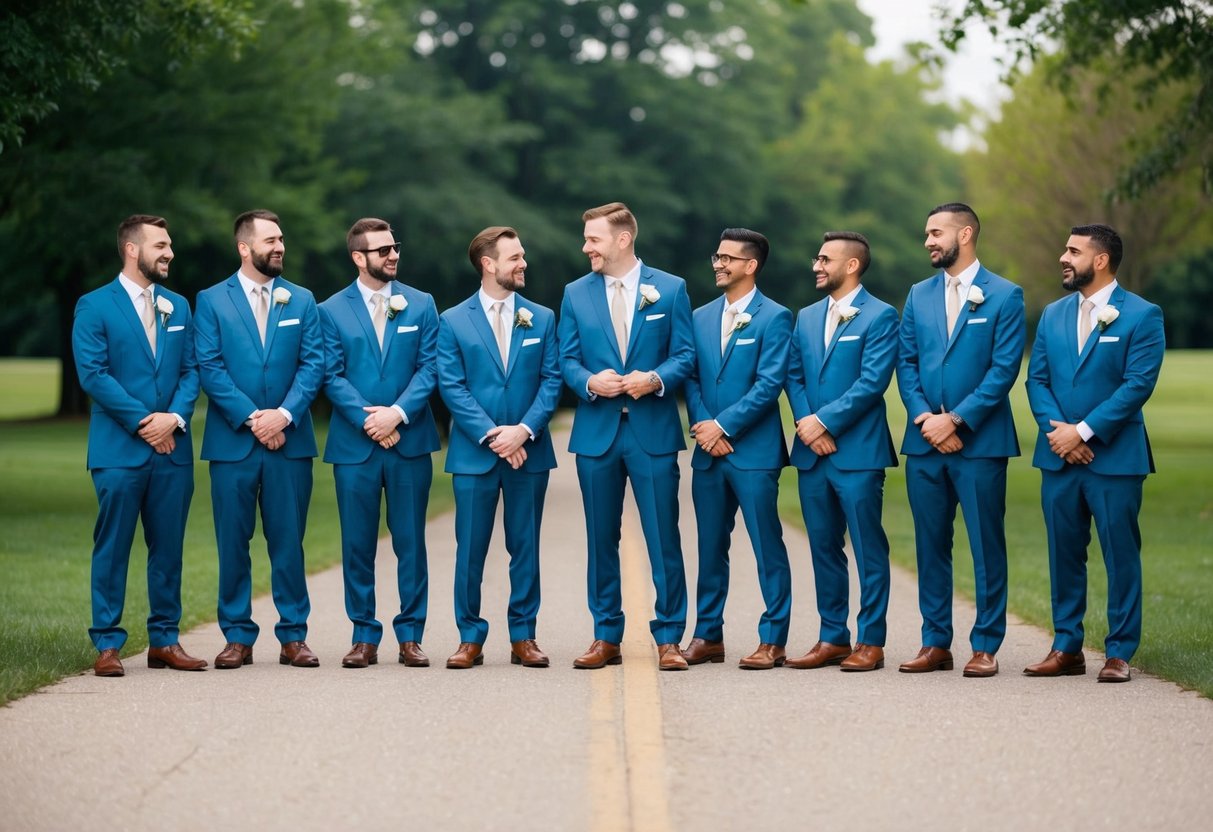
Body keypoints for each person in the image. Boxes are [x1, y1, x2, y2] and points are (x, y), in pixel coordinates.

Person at [1023, 224, 1164, 683]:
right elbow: (1036, 380)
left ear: (1100, 260)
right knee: (1064, 553)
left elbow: (1137, 385)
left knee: (1119, 553)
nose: (1063, 257)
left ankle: (1119, 652)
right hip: (1058, 458)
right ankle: (1066, 647)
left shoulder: (1143, 315)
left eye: (1073, 251)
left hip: (1116, 458)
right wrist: (1058, 434)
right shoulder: (1052, 314)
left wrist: (1084, 432)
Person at [558, 202, 695, 671]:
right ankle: (605, 636)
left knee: (664, 537)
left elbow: (685, 355)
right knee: (601, 538)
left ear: (622, 240)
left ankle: (670, 637)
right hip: (596, 434)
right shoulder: (575, 294)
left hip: (652, 432)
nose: (586, 247)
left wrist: (654, 379)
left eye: (593, 239)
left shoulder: (671, 289)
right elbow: (567, 360)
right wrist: (588, 382)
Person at [72, 214, 206, 676]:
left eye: (169, 245)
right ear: (132, 249)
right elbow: (93, 373)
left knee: (168, 548)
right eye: (160, 245)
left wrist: (174, 419)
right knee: (112, 547)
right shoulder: (94, 305)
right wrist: (144, 421)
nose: (169, 252)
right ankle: (107, 645)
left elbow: (192, 371)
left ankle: (164, 640)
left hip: (173, 449)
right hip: (118, 451)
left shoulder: (179, 307)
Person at [896, 202, 1025, 678]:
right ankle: (935, 643)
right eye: (927, 233)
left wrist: (959, 420)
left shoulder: (1005, 295)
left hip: (982, 443)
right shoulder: (918, 294)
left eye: (936, 232)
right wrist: (925, 418)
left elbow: (1003, 369)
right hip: (924, 443)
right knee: (930, 544)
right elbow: (905, 363)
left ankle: (986, 644)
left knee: (986, 544)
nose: (928, 241)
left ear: (965, 234)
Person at [194, 209, 324, 669]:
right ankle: (237, 637)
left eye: (282, 239)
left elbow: (314, 364)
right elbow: (209, 366)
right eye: (270, 240)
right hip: (233, 443)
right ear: (244, 248)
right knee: (233, 543)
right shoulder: (211, 300)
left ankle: (294, 636)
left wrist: (284, 416)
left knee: (289, 541)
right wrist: (253, 419)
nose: (279, 247)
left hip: (291, 442)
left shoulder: (302, 300)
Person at [436, 227, 562, 669]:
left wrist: (523, 431)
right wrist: (494, 436)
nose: (522, 263)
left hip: (529, 452)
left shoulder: (542, 317)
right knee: (470, 548)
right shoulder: (452, 320)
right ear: (488, 264)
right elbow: (451, 387)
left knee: (525, 546)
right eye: (514, 257)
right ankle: (469, 636)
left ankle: (523, 636)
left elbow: (552, 381)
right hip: (475, 455)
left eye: (522, 255)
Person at [318, 218, 440, 669]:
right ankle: (363, 636)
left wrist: (397, 414)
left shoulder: (421, 304)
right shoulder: (329, 310)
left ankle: (411, 636)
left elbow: (430, 368)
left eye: (395, 247)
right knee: (357, 544)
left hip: (410, 441)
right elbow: (330, 373)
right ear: (358, 257)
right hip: (355, 447)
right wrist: (370, 420)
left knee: (411, 542)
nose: (393, 255)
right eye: (382, 250)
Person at [784, 232, 899, 672]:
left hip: (859, 452)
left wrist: (825, 422)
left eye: (825, 259)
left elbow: (872, 383)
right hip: (813, 452)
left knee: (869, 547)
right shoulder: (807, 316)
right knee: (823, 546)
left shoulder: (881, 316)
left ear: (851, 266)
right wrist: (807, 424)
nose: (816, 265)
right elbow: (793, 375)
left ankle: (871, 640)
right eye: (817, 257)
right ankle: (832, 635)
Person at [682, 228, 793, 670]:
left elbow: (770, 384)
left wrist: (724, 426)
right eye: (717, 256)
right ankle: (708, 635)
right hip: (708, 453)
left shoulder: (776, 317)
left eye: (728, 258)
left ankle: (773, 638)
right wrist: (705, 426)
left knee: (767, 546)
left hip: (754, 452)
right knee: (710, 546)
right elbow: (690, 376)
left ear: (751, 265)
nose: (718, 263)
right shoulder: (699, 316)